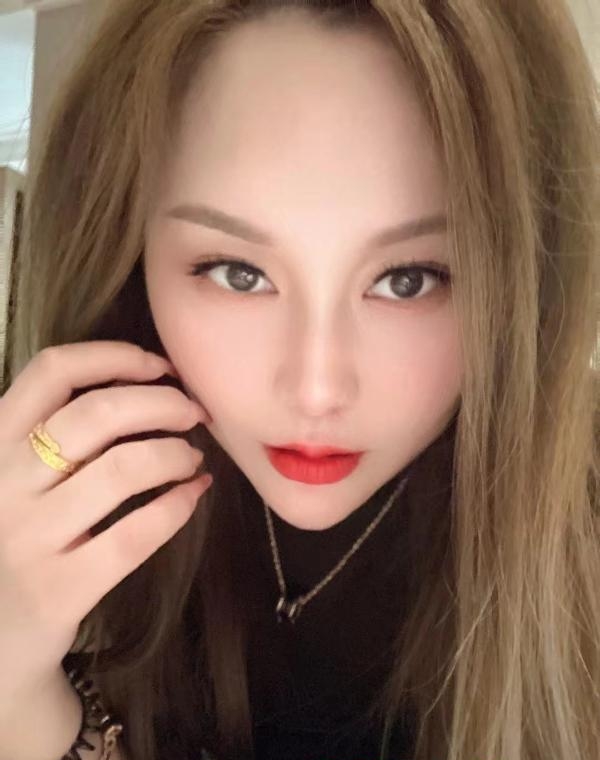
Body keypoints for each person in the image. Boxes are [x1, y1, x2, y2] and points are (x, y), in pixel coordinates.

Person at [0, 0, 598, 759]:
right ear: (129, 259)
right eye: (237, 272)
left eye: (410, 280)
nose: (316, 391)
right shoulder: (47, 499)